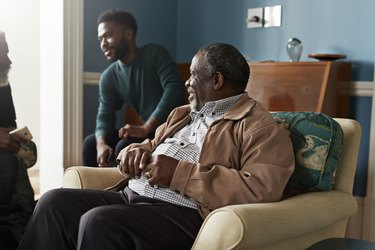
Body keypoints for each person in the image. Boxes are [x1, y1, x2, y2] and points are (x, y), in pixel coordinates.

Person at [18, 43, 295, 250]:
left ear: (217, 80)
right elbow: (150, 144)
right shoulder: (183, 114)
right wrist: (133, 152)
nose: (187, 81)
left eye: (194, 75)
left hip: (185, 213)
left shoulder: (260, 127)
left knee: (99, 221)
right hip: (131, 195)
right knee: (53, 201)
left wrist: (178, 173)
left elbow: (260, 190)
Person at [82, 9, 186, 167]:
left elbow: (174, 89)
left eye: (108, 35)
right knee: (91, 144)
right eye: (100, 38)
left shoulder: (154, 53)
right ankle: (96, 191)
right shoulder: (109, 76)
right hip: (146, 132)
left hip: (172, 131)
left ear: (128, 34)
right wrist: (101, 144)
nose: (103, 44)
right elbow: (105, 116)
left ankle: (123, 192)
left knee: (124, 147)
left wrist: (146, 127)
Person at [0, 31, 37, 249]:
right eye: (3, 53)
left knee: (26, 149)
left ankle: (20, 219)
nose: (9, 60)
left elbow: (10, 124)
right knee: (6, 162)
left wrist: (13, 137)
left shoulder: (2, 81)